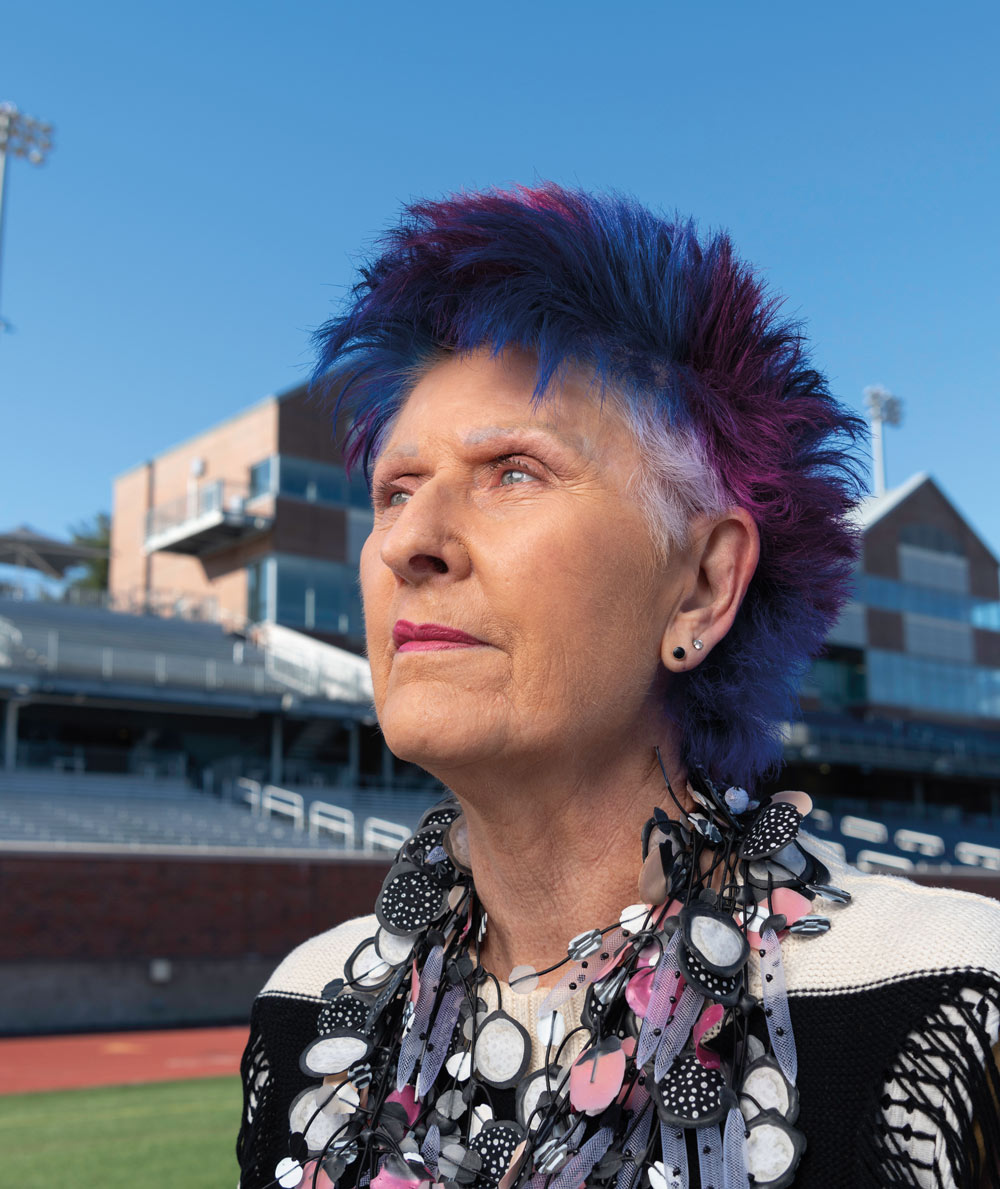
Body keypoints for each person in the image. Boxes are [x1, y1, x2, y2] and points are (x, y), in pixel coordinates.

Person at [237, 185, 1000, 1189]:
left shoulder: (938, 993)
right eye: (395, 491)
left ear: (700, 584)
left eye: (511, 470)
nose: (409, 544)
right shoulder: (305, 1008)